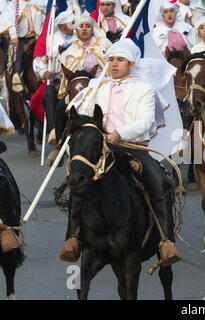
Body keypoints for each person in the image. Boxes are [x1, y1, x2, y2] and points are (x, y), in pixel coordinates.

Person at [60, 39, 181, 266]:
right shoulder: (97, 86)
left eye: (120, 60)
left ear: (131, 63)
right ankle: (73, 238)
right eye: (112, 60)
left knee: (159, 180)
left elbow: (146, 121)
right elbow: (84, 114)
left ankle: (166, 240)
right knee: (77, 179)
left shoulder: (144, 89)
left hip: (132, 147)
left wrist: (118, 133)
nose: (114, 64)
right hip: (101, 147)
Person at [45, 13, 111, 167]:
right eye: (81, 26)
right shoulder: (70, 49)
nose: (84, 29)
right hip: (78, 89)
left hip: (102, 84)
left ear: (92, 28)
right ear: (76, 29)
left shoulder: (104, 44)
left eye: (88, 26)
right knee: (62, 106)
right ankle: (59, 144)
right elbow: (65, 74)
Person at [32, 9, 78, 151]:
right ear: (63, 25)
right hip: (56, 78)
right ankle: (54, 131)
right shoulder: (50, 39)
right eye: (71, 23)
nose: (74, 25)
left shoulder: (79, 36)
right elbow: (40, 60)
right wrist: (43, 71)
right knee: (48, 92)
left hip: (76, 78)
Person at [10, 0, 47, 93]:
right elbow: (10, 22)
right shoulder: (15, 4)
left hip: (39, 37)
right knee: (19, 55)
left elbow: (46, 20)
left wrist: (40, 33)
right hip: (23, 38)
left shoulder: (41, 2)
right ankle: (17, 78)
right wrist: (13, 35)